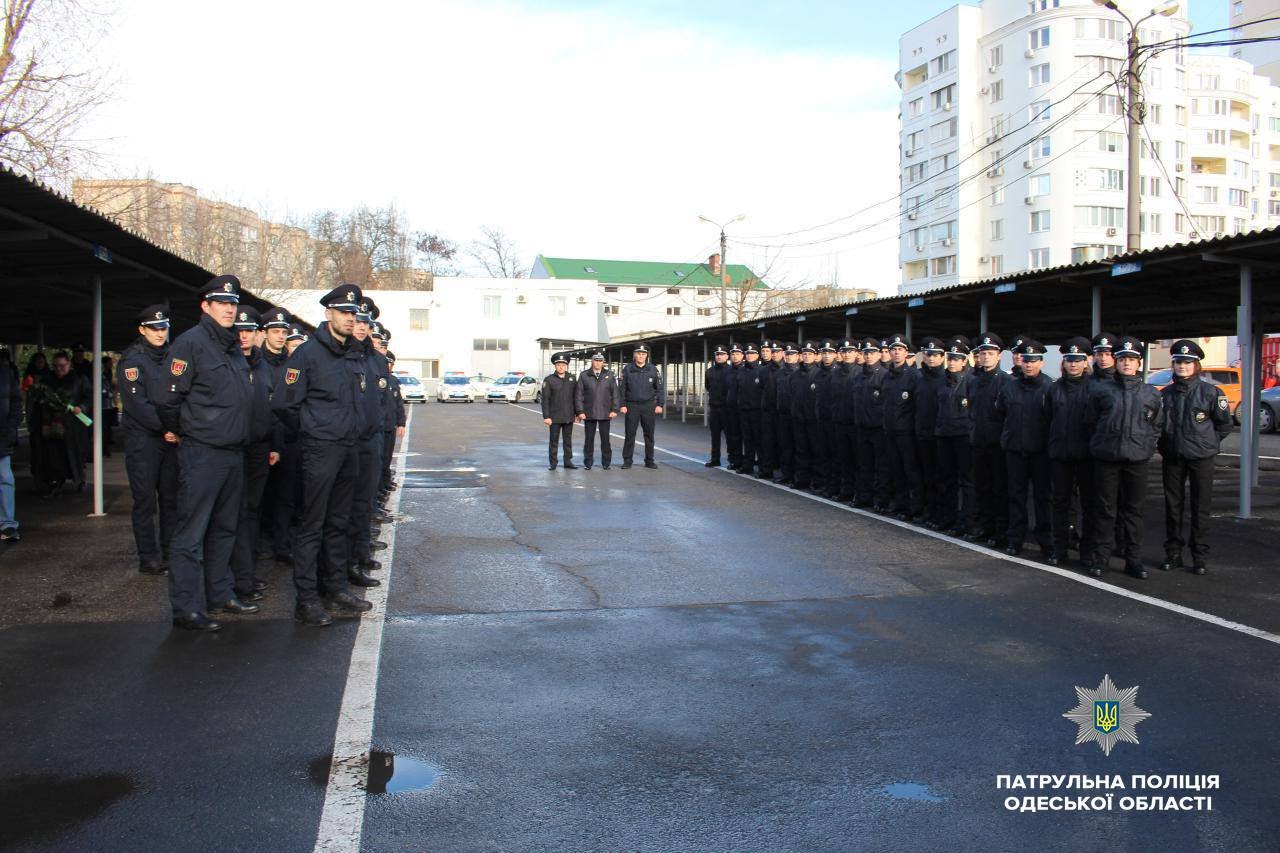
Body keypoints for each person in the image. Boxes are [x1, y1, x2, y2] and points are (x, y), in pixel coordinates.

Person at [157, 275, 260, 631]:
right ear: (206, 306)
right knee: (191, 533)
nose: (230, 309)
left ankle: (220, 594)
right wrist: (189, 432)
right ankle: (186, 608)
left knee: (225, 529)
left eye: (233, 304)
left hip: (233, 453)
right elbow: (168, 398)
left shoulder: (230, 346)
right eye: (222, 303)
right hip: (202, 453)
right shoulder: (191, 344)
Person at [273, 283, 374, 627]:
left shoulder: (354, 353)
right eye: (344, 312)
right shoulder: (307, 354)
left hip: (349, 449)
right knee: (312, 524)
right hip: (320, 449)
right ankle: (307, 599)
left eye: (353, 313)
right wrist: (314, 430)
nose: (350, 319)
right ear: (328, 313)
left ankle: (334, 588)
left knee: (338, 522)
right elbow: (285, 403)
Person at [1086, 336, 1164, 580]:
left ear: (1139, 363)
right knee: (1104, 510)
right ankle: (1101, 558)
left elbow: (1157, 425)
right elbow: (1090, 422)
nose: (1127, 364)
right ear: (1116, 361)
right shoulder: (1102, 391)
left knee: (1133, 512)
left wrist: (1146, 447)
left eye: (1131, 359)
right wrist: (1100, 445)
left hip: (1136, 460)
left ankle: (1133, 560)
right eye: (1122, 359)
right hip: (1107, 458)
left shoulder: (1150, 393)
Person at [1159, 339, 1232, 576]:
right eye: (1178, 362)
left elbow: (1224, 425)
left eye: (1187, 362)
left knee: (1200, 508)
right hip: (1173, 456)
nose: (1182, 366)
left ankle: (1199, 556)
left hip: (1201, 458)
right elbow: (1157, 424)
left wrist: (1207, 444)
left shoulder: (1211, 392)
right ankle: (1173, 553)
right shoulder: (1167, 394)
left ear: (1196, 365)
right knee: (1173, 507)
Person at [117, 304, 179, 572]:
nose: (159, 332)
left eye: (163, 327)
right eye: (154, 328)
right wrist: (165, 427)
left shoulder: (172, 356)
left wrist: (175, 427)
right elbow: (136, 403)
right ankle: (148, 557)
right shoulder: (132, 359)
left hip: (169, 438)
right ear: (142, 330)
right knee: (145, 501)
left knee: (170, 499)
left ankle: (170, 551)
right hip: (144, 440)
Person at [228, 306, 283, 602]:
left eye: (249, 331)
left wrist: (273, 444)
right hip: (233, 447)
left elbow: (271, 409)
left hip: (259, 449)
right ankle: (233, 579)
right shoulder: (227, 362)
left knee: (251, 513)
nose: (244, 336)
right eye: (239, 330)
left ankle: (246, 575)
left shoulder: (261, 366)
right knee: (231, 515)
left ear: (257, 334)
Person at [996, 339, 1054, 560]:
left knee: (1043, 499)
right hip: (1015, 450)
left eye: (1033, 360)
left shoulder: (1050, 387)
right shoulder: (1009, 387)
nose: (1029, 365)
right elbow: (1001, 413)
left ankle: (1046, 543)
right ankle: (1016, 539)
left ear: (1040, 362)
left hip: (1041, 453)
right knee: (1016, 497)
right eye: (1025, 360)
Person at [345, 298, 387, 589]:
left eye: (366, 324)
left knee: (363, 505)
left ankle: (360, 556)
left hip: (370, 439)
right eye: (357, 321)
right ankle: (345, 564)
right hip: (345, 441)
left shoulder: (376, 359)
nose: (362, 328)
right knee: (343, 509)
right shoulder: (343, 355)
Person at [1046, 337, 1095, 570]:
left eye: (1078, 360)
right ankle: (1060, 548)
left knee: (1088, 505)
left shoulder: (1095, 388)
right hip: (1060, 455)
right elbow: (1047, 419)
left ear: (1086, 362)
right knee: (1060, 504)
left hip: (1086, 456)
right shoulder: (1054, 388)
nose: (1073, 364)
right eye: (1069, 360)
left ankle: (1086, 552)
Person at [31, 351, 92, 496]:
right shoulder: (47, 380)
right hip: (52, 424)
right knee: (54, 455)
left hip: (73, 424)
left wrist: (81, 407)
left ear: (69, 364)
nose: (58, 369)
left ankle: (79, 479)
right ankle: (56, 481)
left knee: (75, 454)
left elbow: (89, 397)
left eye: (62, 366)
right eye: (55, 366)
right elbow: (39, 400)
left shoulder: (79, 379)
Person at [968, 333, 1008, 547]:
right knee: (982, 488)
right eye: (982, 353)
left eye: (990, 354)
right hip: (978, 443)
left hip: (997, 445)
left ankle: (1001, 531)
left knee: (999, 490)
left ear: (999, 356)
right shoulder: (974, 382)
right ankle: (985, 527)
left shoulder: (1005, 381)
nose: (985, 357)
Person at [881, 334, 923, 521]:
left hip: (907, 433)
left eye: (900, 350)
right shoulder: (887, 376)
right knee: (895, 470)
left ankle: (915, 508)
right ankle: (901, 504)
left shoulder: (914, 376)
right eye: (893, 349)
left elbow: (917, 407)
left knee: (911, 472)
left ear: (906, 353)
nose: (896, 353)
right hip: (890, 431)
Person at [935, 336, 973, 536]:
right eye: (950, 358)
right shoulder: (942, 382)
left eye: (957, 359)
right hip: (944, 435)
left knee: (967, 482)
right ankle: (948, 517)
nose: (952, 362)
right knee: (946, 480)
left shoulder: (971, 382)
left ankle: (966, 521)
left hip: (963, 438)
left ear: (964, 361)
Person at [914, 337, 946, 526]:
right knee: (926, 477)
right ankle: (929, 511)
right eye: (928, 354)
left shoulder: (945, 379)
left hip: (939, 436)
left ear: (942, 357)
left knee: (940, 478)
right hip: (923, 435)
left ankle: (940, 513)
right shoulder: (919, 378)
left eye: (935, 355)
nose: (931, 358)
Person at [853, 338, 888, 510]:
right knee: (864, 465)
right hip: (862, 427)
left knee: (880, 467)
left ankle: (879, 500)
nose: (868, 356)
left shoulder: (884, 375)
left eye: (872, 353)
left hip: (878, 428)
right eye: (866, 353)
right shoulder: (859, 376)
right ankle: (864, 496)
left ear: (879, 354)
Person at [618, 343, 664, 469]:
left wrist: (660, 404)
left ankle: (649, 460)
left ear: (646, 355)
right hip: (632, 406)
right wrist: (622, 405)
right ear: (634, 355)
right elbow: (622, 389)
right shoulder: (627, 369)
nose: (641, 356)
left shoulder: (653, 369)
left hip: (648, 406)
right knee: (630, 434)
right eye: (638, 353)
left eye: (643, 354)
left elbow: (659, 388)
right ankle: (627, 460)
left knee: (649, 434)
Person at [575, 351, 619, 470]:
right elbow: (579, 395)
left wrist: (615, 409)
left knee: (606, 440)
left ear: (603, 362)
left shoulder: (609, 375)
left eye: (600, 361)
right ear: (592, 361)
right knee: (589, 440)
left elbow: (615, 393)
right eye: (596, 360)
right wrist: (580, 411)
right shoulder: (584, 375)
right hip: (589, 413)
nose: (598, 363)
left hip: (605, 413)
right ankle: (588, 463)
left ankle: (606, 463)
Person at [833, 340, 860, 501]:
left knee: (857, 461)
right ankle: (846, 489)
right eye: (844, 351)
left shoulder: (860, 372)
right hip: (839, 422)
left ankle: (858, 491)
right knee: (843, 459)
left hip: (854, 424)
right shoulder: (836, 373)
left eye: (850, 351)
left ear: (856, 353)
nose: (847, 354)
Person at [542, 353, 578, 470]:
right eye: (558, 365)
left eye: (563, 365)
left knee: (568, 441)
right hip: (554, 417)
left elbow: (576, 397)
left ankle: (568, 461)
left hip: (568, 416)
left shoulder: (572, 379)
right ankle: (553, 463)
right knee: (554, 441)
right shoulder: (549, 380)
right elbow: (545, 400)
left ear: (566, 366)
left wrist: (577, 414)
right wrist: (546, 416)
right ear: (555, 366)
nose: (561, 367)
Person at [790, 342, 818, 490]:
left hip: (813, 420)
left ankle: (816, 480)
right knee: (801, 451)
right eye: (805, 354)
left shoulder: (819, 374)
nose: (807, 356)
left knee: (815, 451)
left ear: (815, 356)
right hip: (798, 419)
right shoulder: (795, 375)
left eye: (810, 354)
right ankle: (802, 479)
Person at [0, 347, 21, 542]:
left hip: (2, 434)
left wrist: (10, 426)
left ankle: (7, 523)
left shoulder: (7, 374)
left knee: (5, 478)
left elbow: (16, 402)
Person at [773, 343, 799, 485]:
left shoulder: (800, 373)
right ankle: (786, 473)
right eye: (787, 354)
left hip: (795, 415)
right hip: (782, 415)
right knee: (785, 447)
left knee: (797, 447)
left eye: (792, 354)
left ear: (797, 356)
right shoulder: (780, 373)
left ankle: (796, 475)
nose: (789, 357)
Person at [737, 343, 764, 476]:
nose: (749, 356)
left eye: (752, 353)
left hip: (757, 411)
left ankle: (762, 468)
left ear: (757, 355)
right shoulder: (741, 371)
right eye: (747, 354)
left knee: (759, 440)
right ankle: (747, 465)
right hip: (744, 411)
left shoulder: (762, 371)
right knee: (747, 440)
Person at [704, 345, 731, 467]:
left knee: (730, 436)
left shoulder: (731, 371)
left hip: (727, 409)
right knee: (715, 436)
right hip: (714, 408)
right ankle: (715, 459)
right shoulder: (709, 372)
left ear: (727, 356)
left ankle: (733, 459)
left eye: (722, 354)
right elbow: (708, 387)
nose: (719, 356)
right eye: (717, 354)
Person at [724, 344, 744, 471]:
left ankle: (747, 461)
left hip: (743, 408)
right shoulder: (728, 370)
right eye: (733, 354)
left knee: (747, 437)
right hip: (731, 409)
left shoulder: (745, 369)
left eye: (737, 354)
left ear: (742, 355)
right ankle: (735, 460)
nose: (735, 356)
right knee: (733, 436)